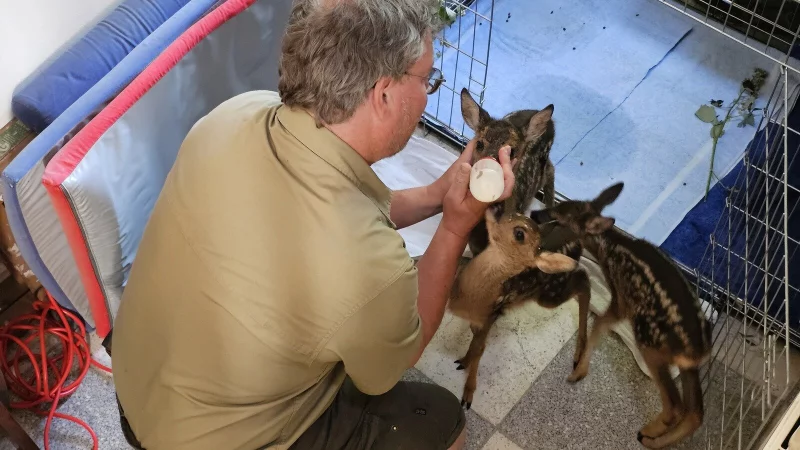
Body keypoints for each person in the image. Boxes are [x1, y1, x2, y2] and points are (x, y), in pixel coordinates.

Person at [110, 0, 516, 449]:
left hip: (138, 388)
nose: (427, 95)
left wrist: (436, 197)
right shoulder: (369, 269)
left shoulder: (238, 114)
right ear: (383, 95)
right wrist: (455, 229)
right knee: (441, 420)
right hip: (212, 440)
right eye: (427, 81)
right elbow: (400, 355)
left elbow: (353, 212)